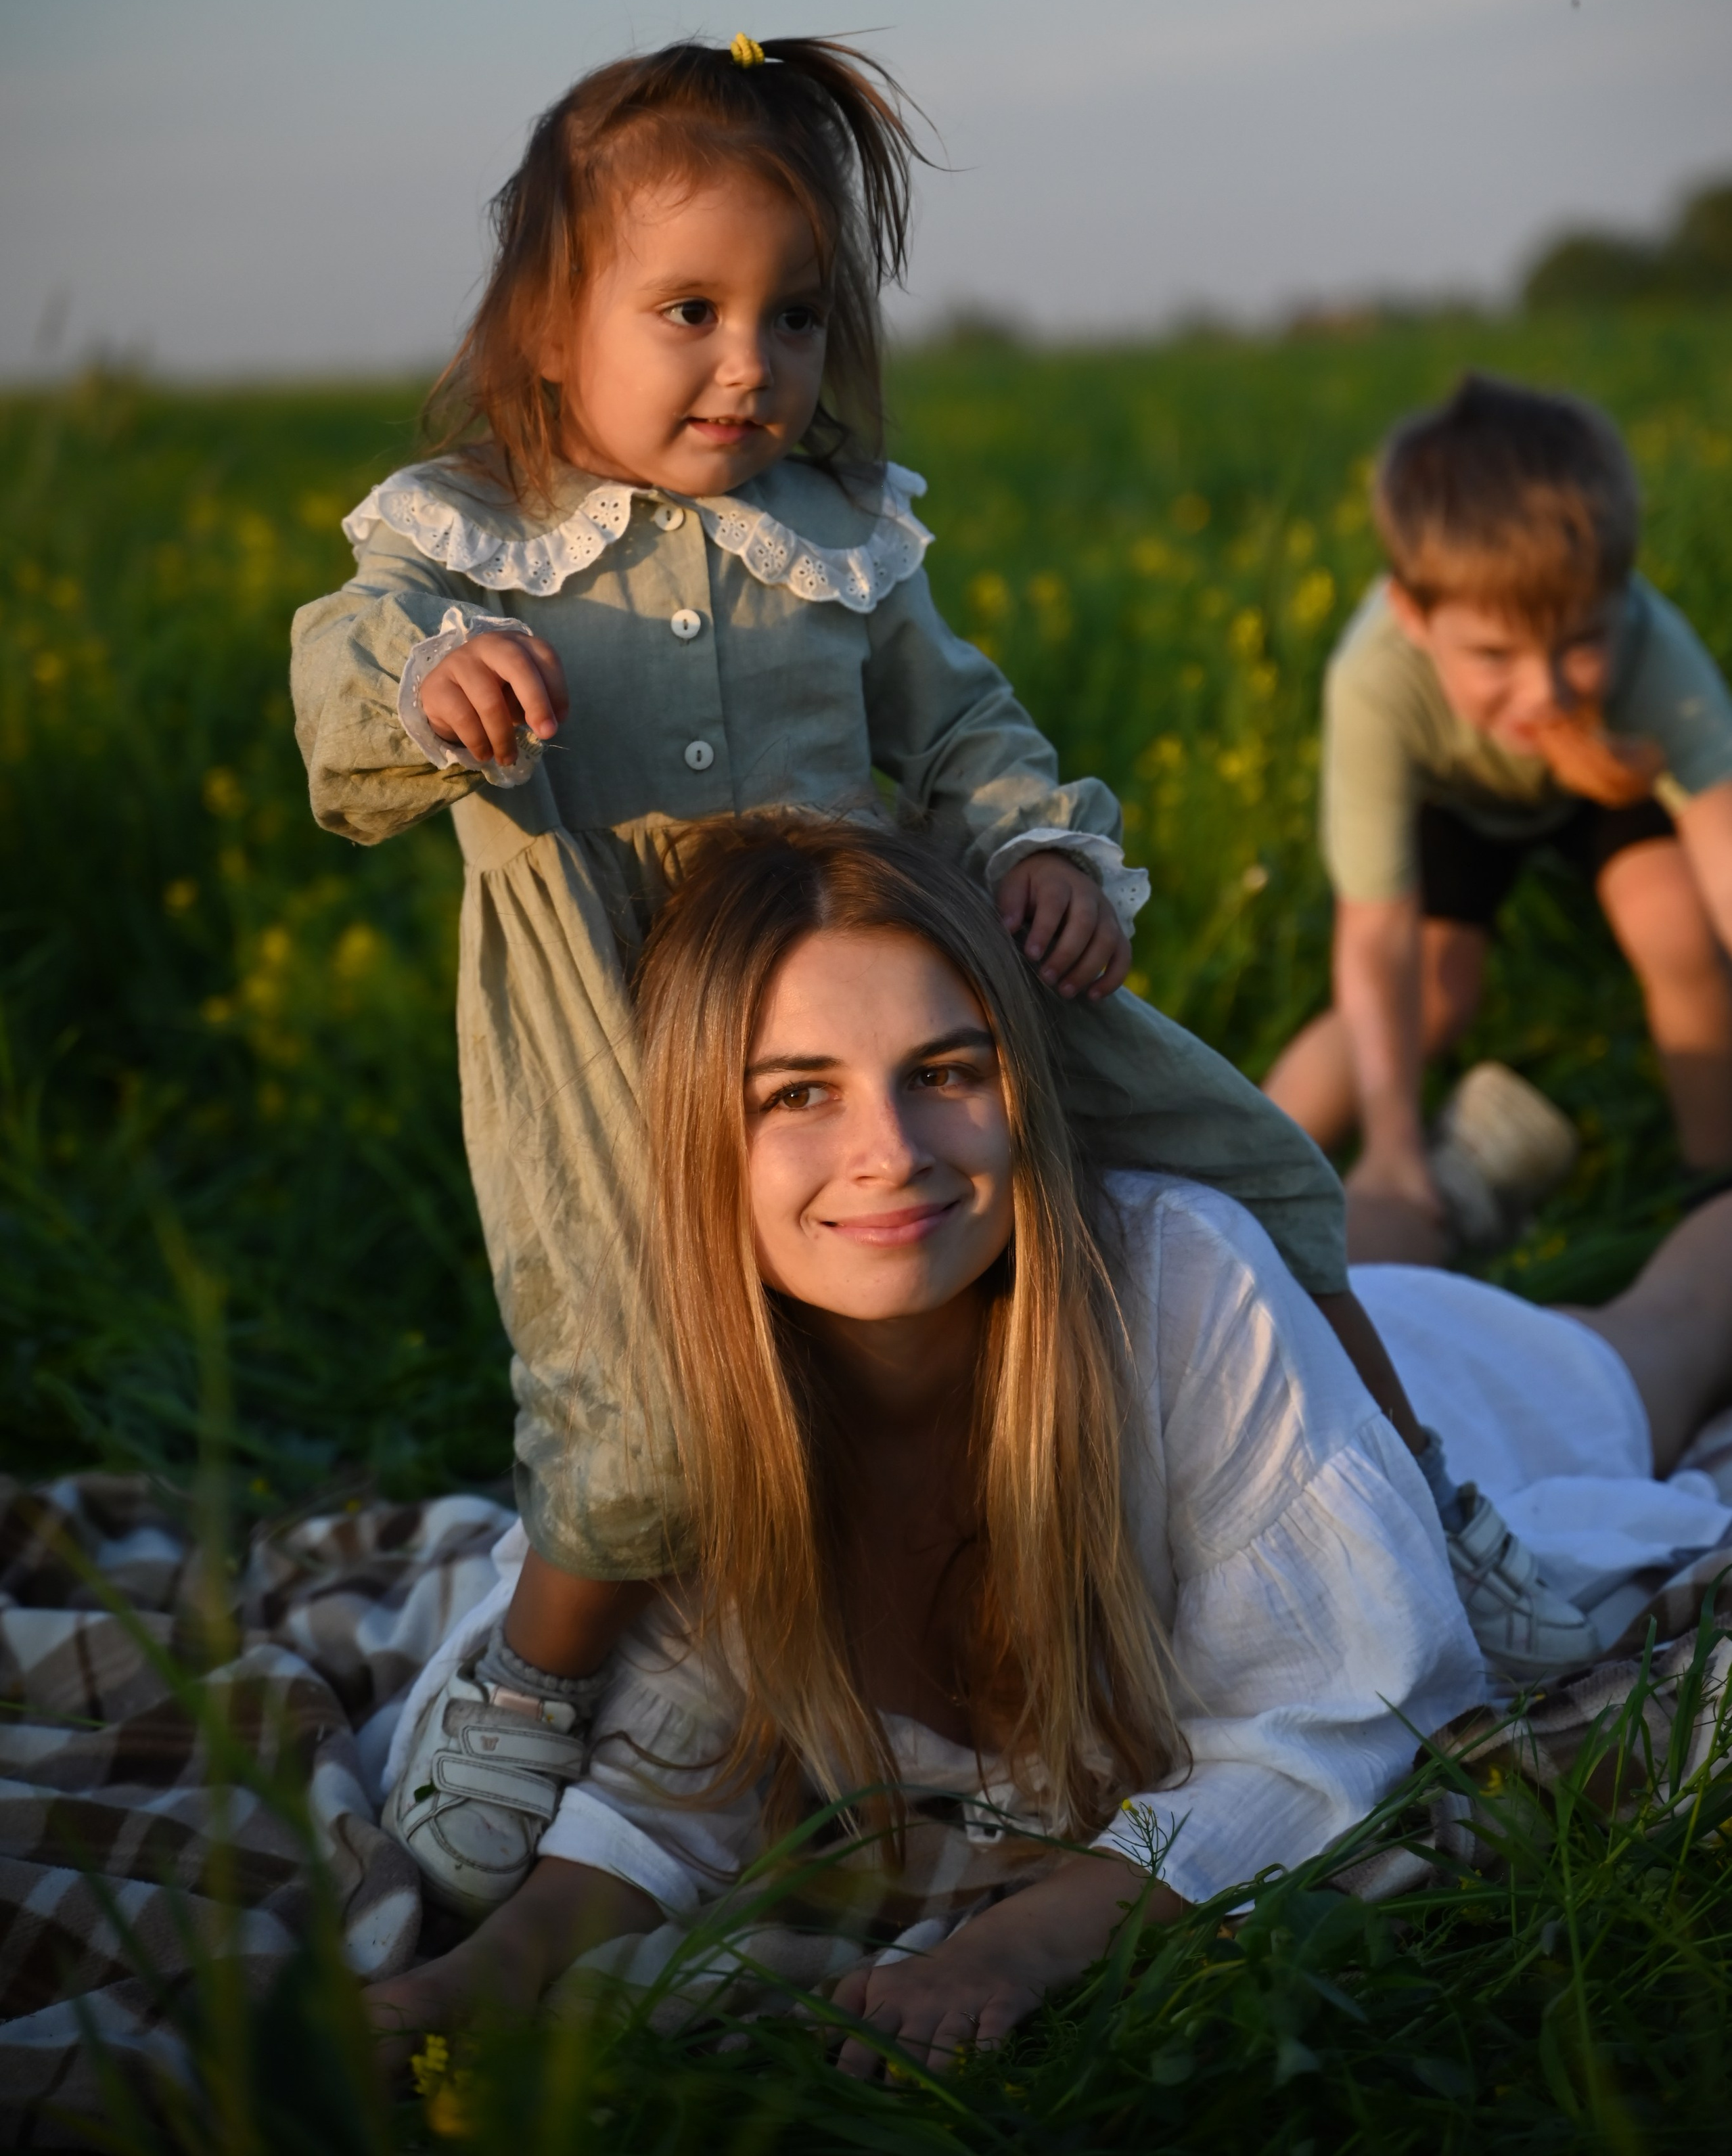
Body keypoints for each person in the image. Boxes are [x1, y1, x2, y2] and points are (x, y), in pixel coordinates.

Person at [293, 37, 1540, 1909]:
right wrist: (428, 691)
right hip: (620, 1011)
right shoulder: (465, 544)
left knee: (1262, 1163)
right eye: (691, 310)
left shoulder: (841, 543)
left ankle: (1421, 1509)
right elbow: (340, 693)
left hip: (876, 973)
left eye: (794, 317)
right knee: (639, 1401)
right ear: (549, 327)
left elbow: (963, 729)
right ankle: (547, 1686)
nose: (751, 364)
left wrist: (1042, 850)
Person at [367, 817, 1732, 2074]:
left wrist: (1010, 1945)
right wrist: (491, 1969)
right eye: (797, 1095)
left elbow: (1336, 1712)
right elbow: (664, 1788)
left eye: (942, 1073)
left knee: (1650, 1341)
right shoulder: (695, 1399)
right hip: (1272, 1330)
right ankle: (1459, 1169)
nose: (889, 1151)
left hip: (1384, 1390)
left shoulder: (1179, 1283)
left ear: (1016, 1083)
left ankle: (1468, 1183)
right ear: (694, 1132)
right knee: (1354, 1251)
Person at [1264, 373, 1732, 1265]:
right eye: (1493, 655)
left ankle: (1713, 1183)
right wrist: (1395, 1145)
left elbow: (1724, 854)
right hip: (1458, 800)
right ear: (1414, 613)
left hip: (1602, 776)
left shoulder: (1654, 654)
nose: (1543, 688)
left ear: (1623, 593)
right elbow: (1375, 937)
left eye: (1581, 642)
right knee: (1434, 994)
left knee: (1676, 928)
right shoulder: (1376, 680)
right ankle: (1252, 1154)